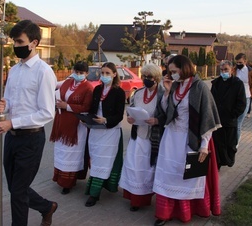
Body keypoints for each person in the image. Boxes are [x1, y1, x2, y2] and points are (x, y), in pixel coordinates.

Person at [0, 20, 58, 226]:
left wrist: (13, 123)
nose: (15, 46)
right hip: (12, 139)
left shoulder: (44, 71)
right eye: (14, 41)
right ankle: (47, 207)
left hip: (31, 139)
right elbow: (11, 101)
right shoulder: (14, 70)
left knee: (18, 193)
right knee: (15, 188)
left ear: (34, 43)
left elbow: (47, 112)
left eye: (20, 41)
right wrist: (4, 105)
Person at [152, 55, 221, 226]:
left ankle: (187, 211)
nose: (172, 74)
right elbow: (166, 113)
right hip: (171, 138)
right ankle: (164, 213)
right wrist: (167, 92)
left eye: (174, 71)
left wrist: (204, 145)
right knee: (168, 175)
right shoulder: (174, 85)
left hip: (190, 139)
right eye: (170, 72)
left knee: (187, 176)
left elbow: (207, 118)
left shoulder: (200, 87)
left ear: (184, 68)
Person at [119, 64, 165, 212]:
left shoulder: (163, 94)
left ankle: (143, 198)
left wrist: (157, 120)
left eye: (149, 77)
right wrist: (130, 118)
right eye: (144, 76)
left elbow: (169, 115)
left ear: (156, 78)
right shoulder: (138, 93)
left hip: (152, 138)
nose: (146, 79)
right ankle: (133, 198)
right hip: (137, 135)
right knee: (133, 166)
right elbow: (131, 109)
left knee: (146, 169)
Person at [84, 62, 126, 207]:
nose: (105, 76)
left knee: (104, 160)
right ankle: (95, 187)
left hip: (110, 131)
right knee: (95, 159)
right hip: (95, 130)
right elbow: (91, 108)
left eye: (108, 73)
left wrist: (106, 120)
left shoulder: (119, 92)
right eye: (103, 73)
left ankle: (94, 194)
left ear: (115, 74)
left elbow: (119, 115)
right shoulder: (97, 89)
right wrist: (87, 119)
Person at [50, 61, 93, 195]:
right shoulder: (67, 83)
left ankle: (68, 183)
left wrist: (67, 106)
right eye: (76, 72)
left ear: (86, 73)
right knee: (61, 151)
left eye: (81, 73)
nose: (78, 75)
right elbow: (54, 89)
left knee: (71, 154)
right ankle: (59, 177)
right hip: (62, 121)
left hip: (76, 125)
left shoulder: (88, 88)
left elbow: (86, 107)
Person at [211, 60, 246, 169]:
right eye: (221, 70)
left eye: (226, 69)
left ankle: (229, 160)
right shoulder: (216, 83)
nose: (223, 72)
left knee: (230, 144)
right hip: (217, 119)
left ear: (231, 70)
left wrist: (234, 114)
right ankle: (218, 163)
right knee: (218, 144)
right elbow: (211, 100)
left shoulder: (237, 83)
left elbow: (241, 102)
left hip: (230, 120)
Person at [233, 53, 252, 141]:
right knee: (233, 121)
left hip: (246, 98)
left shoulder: (251, 72)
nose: (238, 64)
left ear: (245, 61)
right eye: (237, 63)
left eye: (240, 62)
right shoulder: (234, 70)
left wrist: (250, 91)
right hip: (234, 98)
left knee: (238, 122)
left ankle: (236, 143)